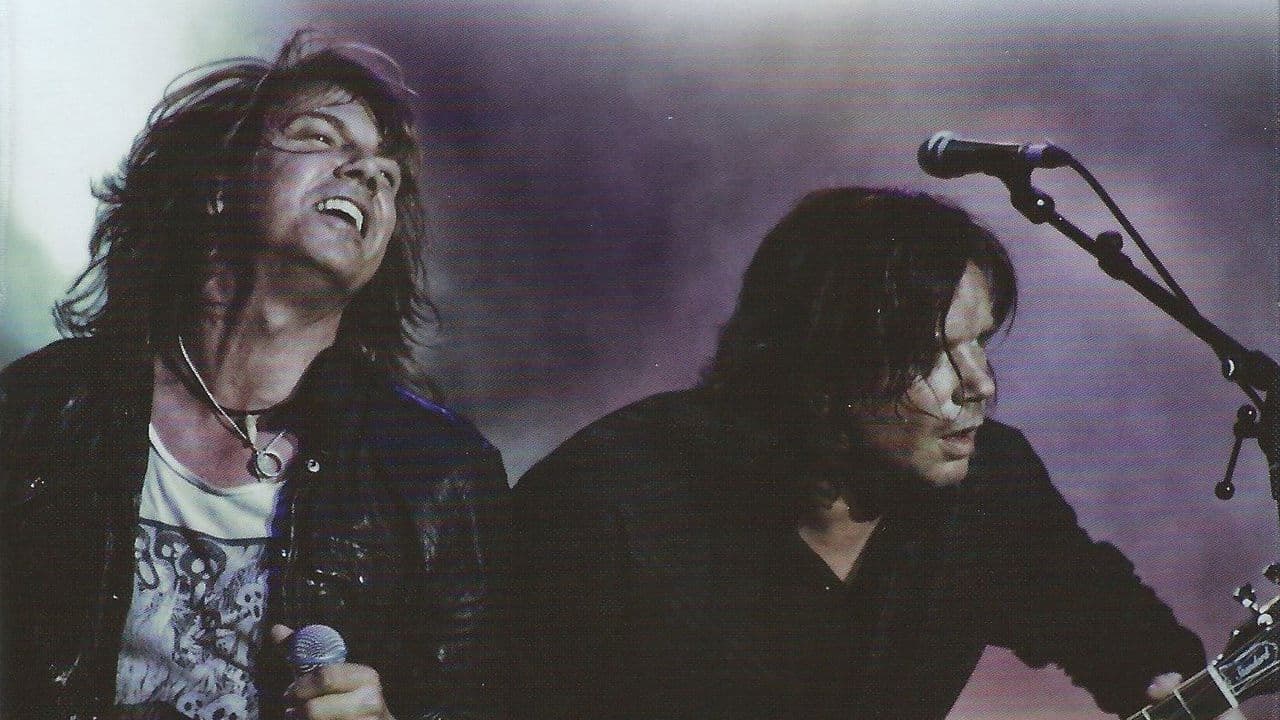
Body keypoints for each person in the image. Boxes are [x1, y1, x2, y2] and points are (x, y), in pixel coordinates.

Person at [512, 187, 1221, 719]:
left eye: (980, 342)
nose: (980, 384)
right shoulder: (605, 503)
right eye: (935, 352)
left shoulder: (988, 485)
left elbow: (1110, 622)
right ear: (825, 363)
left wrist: (1172, 685)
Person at [0, 32, 508, 720]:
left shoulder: (441, 478)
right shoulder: (38, 412)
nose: (367, 172)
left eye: (387, 177)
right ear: (218, 184)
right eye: (321, 137)